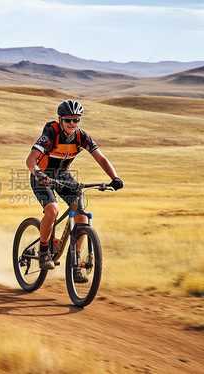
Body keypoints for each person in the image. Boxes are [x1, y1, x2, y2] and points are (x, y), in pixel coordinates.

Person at [25, 99, 123, 278]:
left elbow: (101, 159)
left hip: (63, 177)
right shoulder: (50, 134)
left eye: (76, 120)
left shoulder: (82, 137)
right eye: (68, 119)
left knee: (81, 217)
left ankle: (76, 264)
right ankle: (44, 251)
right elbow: (30, 160)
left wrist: (114, 178)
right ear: (60, 119)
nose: (72, 123)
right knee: (52, 209)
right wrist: (38, 173)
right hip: (42, 176)